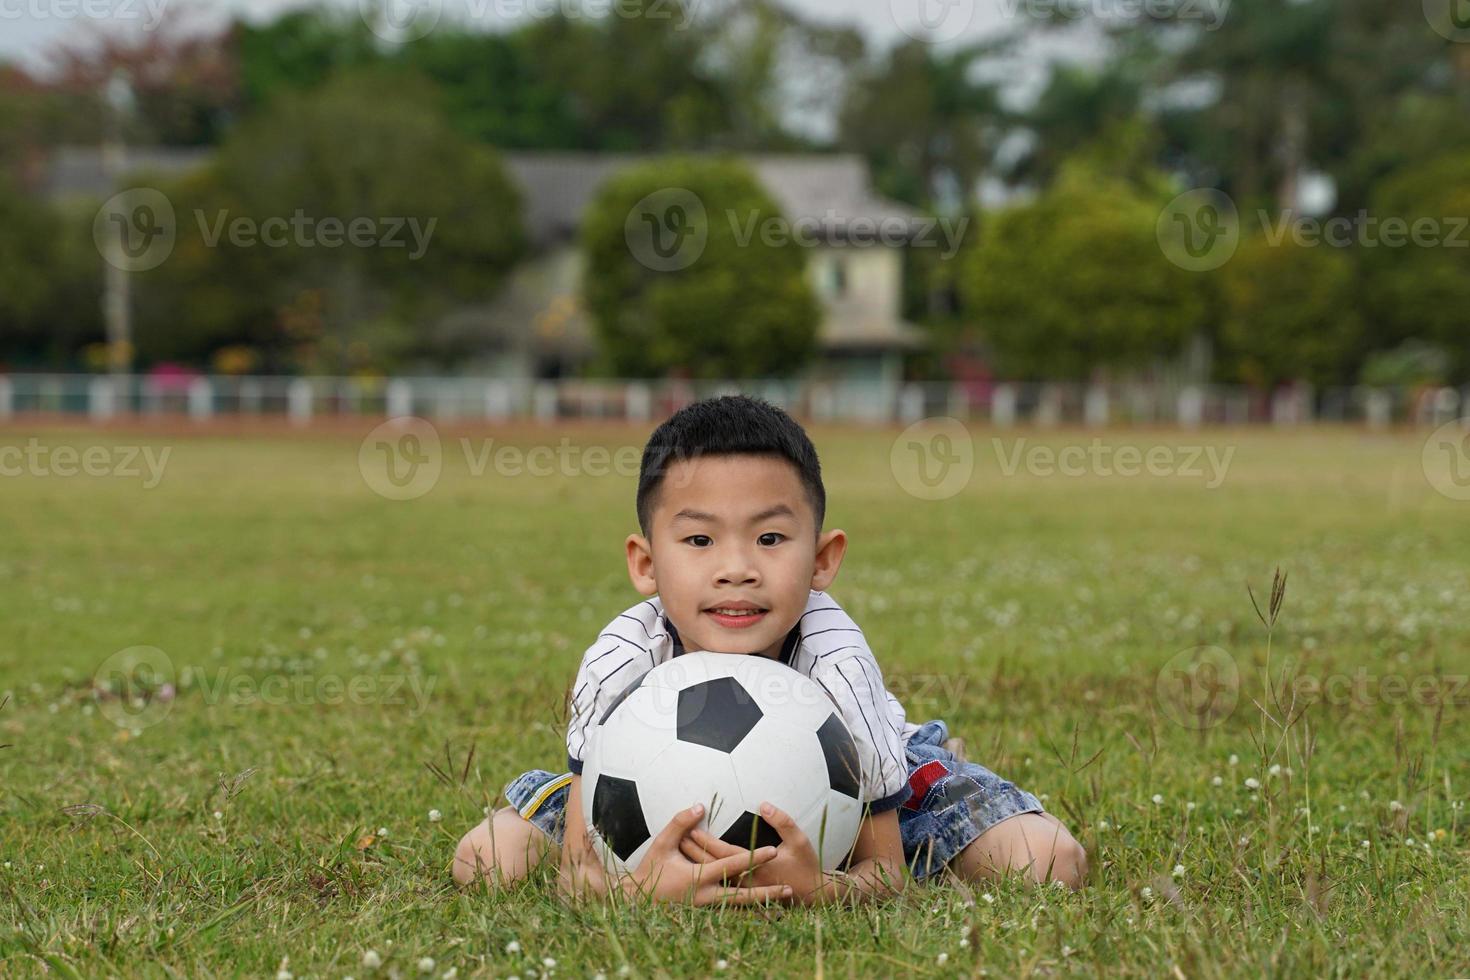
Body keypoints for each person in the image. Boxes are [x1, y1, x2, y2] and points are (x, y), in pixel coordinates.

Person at [453, 395, 1086, 905]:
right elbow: (577, 876)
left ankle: (930, 761)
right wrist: (633, 889)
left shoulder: (837, 664)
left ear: (821, 559)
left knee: (1048, 862)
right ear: (646, 564)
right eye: (699, 540)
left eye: (771, 537)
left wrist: (821, 889)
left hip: (870, 791)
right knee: (484, 862)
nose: (737, 569)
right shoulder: (620, 657)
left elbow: (884, 872)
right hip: (639, 786)